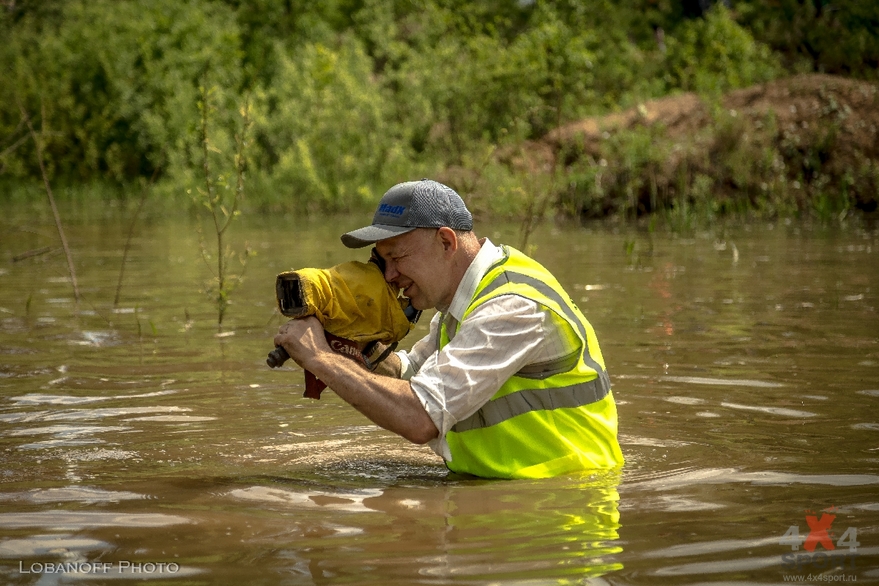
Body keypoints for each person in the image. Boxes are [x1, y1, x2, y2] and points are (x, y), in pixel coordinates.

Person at [274, 179, 624, 479]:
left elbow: (420, 415)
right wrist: (353, 346)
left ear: (446, 242)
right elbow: (410, 374)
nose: (390, 276)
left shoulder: (512, 306)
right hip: (509, 507)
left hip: (562, 518)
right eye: (383, 262)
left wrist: (321, 358)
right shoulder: (462, 304)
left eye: (397, 258)